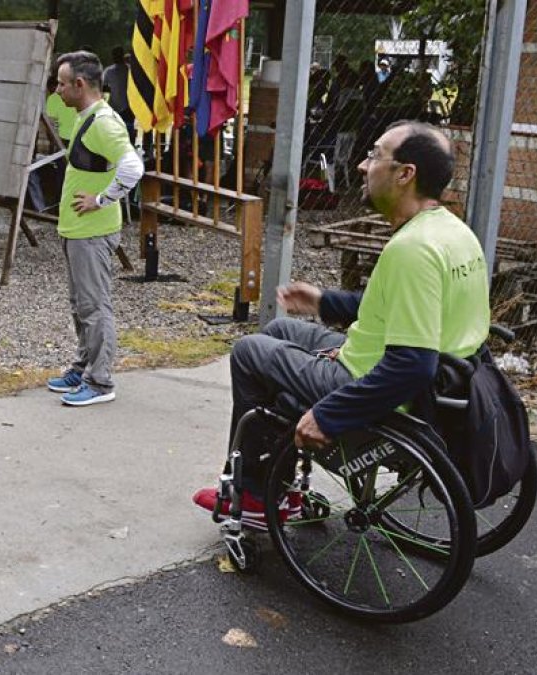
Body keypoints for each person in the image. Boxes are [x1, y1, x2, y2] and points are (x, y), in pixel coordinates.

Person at [192, 121, 490, 527]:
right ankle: (277, 480)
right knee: (279, 331)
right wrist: (323, 301)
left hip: (378, 381)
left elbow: (411, 365)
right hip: (442, 376)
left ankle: (258, 495)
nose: (363, 166)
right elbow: (403, 309)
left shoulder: (412, 250)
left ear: (405, 174)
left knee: (249, 353)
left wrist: (329, 415)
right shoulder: (453, 232)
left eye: (376, 155)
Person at [44, 51, 142, 407]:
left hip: (92, 232)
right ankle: (84, 367)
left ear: (80, 84)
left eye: (61, 84)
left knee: (94, 306)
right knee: (81, 305)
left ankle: (100, 381)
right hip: (78, 231)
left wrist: (101, 200)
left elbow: (133, 168)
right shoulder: (88, 117)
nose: (57, 90)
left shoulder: (103, 123)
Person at [101, 46, 135, 143]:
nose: (116, 57)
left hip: (126, 107)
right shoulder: (109, 72)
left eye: (117, 55)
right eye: (115, 55)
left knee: (126, 132)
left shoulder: (129, 70)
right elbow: (103, 88)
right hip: (117, 107)